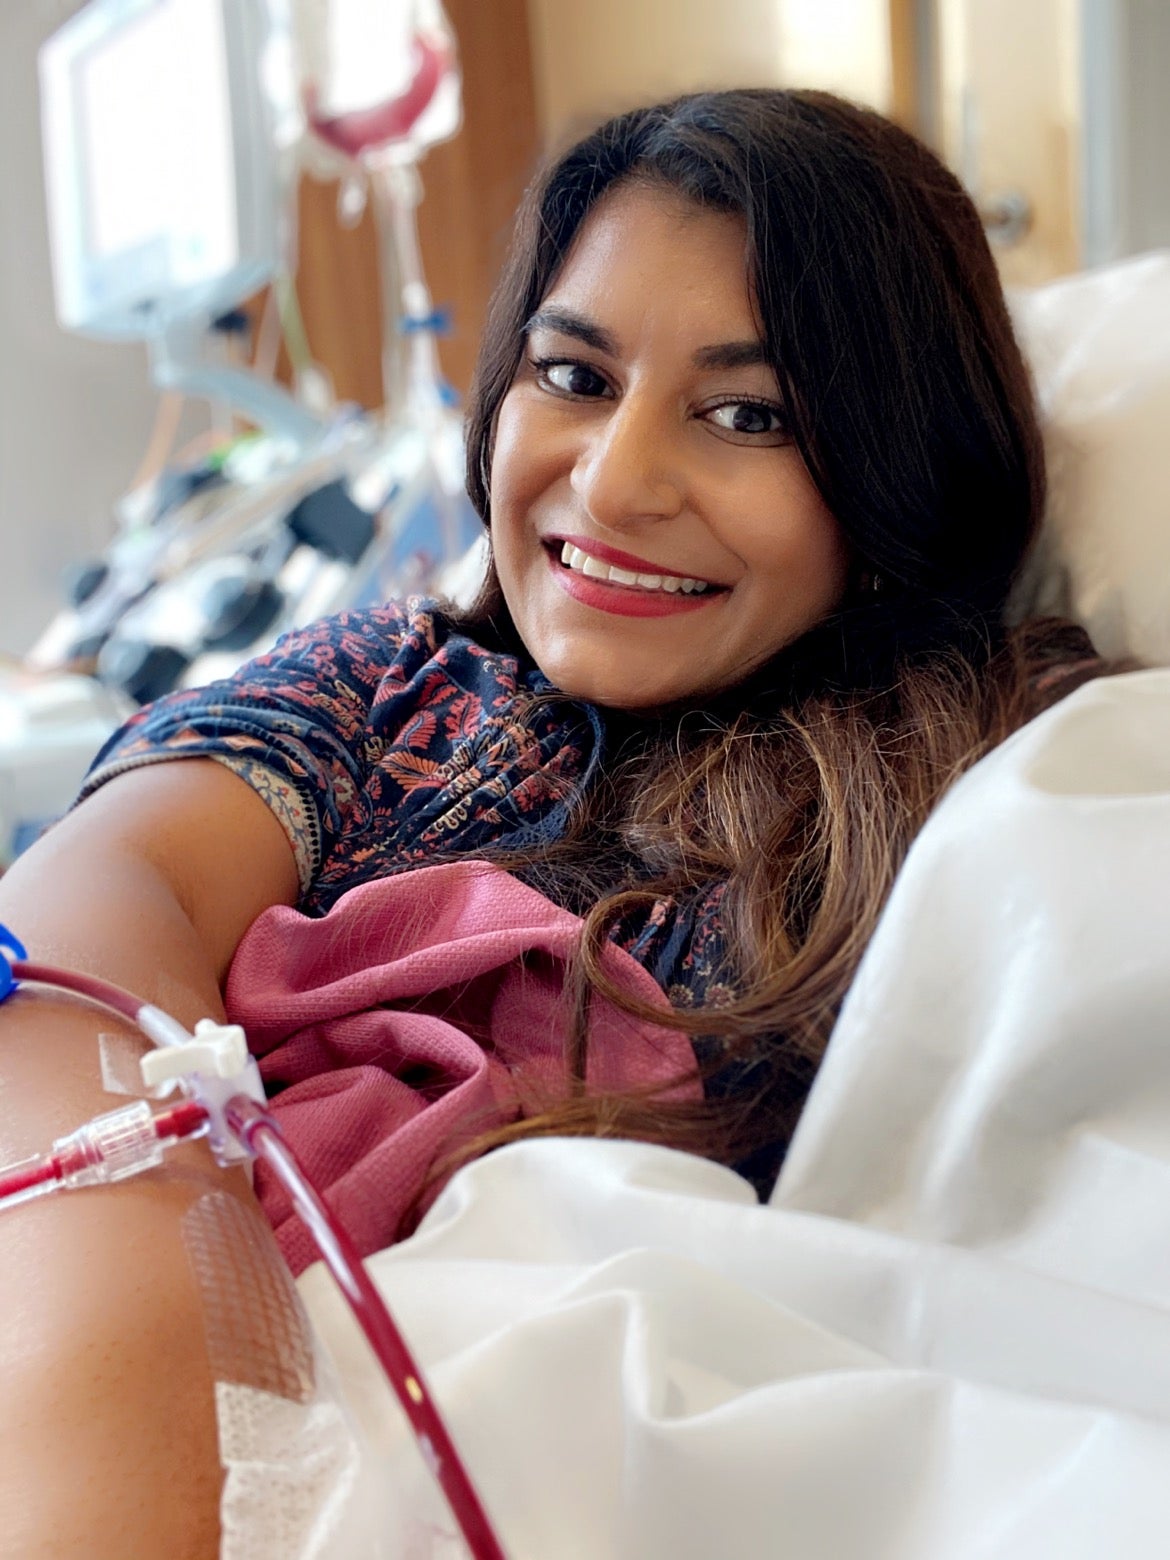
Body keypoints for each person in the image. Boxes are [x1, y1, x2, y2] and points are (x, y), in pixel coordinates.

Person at [0, 88, 1109, 1552]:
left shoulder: (976, 774)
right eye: (574, 376)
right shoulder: (387, 686)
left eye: (748, 415)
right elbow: (92, 915)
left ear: (902, 463)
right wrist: (150, 1379)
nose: (614, 480)